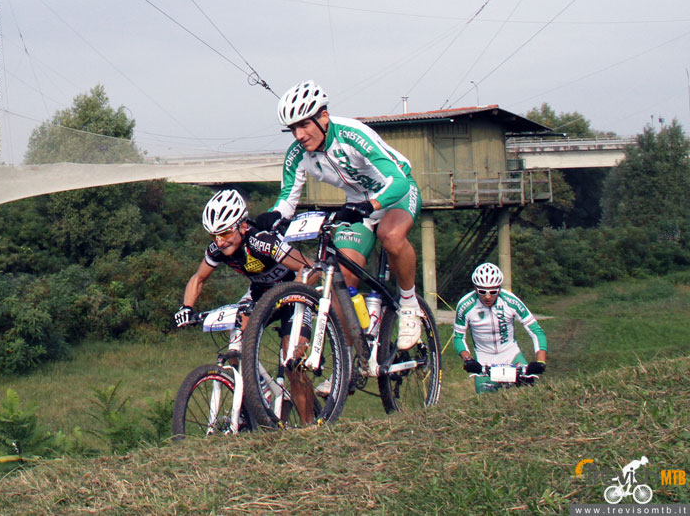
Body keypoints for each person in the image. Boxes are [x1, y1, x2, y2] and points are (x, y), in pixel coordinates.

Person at [255, 79, 424, 350]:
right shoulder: (297, 154)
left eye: (304, 125)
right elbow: (288, 196)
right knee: (341, 279)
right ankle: (350, 359)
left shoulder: (352, 134)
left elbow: (399, 180)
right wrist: (274, 215)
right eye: (293, 129)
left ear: (324, 116)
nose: (298, 135)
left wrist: (373, 205)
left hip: (395, 193)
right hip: (359, 203)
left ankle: (409, 304)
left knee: (390, 235)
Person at [174, 189, 317, 422]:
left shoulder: (262, 241)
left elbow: (309, 267)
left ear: (241, 226)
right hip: (259, 293)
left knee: (293, 363)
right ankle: (260, 390)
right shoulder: (217, 249)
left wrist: (294, 293)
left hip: (292, 293)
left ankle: (310, 428)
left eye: (225, 233)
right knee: (235, 346)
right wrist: (186, 307)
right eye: (213, 236)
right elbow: (198, 279)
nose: (220, 241)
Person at [453, 262, 547, 394]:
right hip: (484, 359)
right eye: (482, 291)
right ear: (475, 288)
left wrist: (541, 361)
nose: (487, 296)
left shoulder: (510, 300)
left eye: (493, 291)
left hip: (511, 354)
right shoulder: (465, 305)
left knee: (529, 395)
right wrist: (468, 359)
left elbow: (537, 332)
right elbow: (458, 337)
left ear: (499, 288)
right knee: (485, 404)